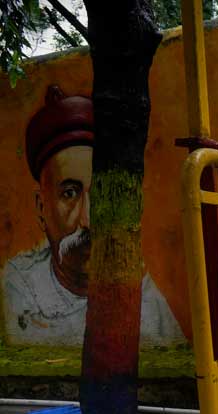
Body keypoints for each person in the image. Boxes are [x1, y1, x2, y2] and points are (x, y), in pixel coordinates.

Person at [3, 85, 183, 346]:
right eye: (69, 194)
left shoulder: (138, 290)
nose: (88, 220)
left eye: (99, 192)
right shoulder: (20, 287)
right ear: (42, 208)